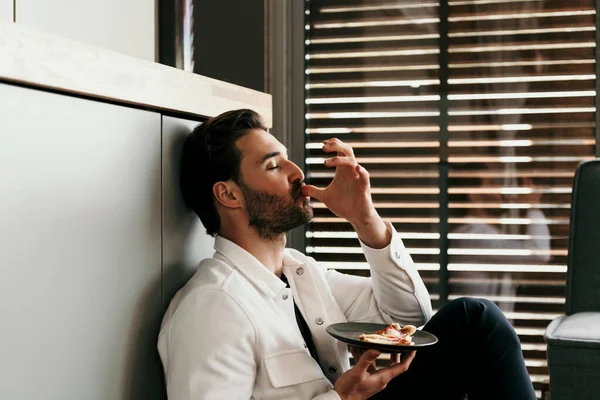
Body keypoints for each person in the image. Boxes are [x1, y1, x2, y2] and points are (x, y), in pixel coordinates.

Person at [157, 109, 537, 400]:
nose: (296, 173)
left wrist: (363, 217)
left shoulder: (302, 273)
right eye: (273, 164)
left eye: (288, 158)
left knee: (473, 320)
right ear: (229, 194)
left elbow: (410, 319)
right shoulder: (214, 306)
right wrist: (340, 398)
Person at [450, 164, 551, 315]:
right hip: (479, 335)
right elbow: (539, 253)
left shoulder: (482, 232)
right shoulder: (472, 236)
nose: (500, 188)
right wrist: (532, 207)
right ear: (474, 195)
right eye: (491, 182)